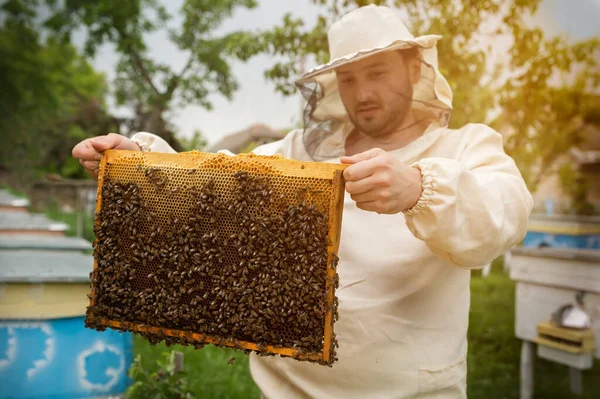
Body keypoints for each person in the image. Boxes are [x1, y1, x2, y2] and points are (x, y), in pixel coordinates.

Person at [72, 5, 533, 398]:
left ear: (414, 68)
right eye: (349, 78)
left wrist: (419, 187)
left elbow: (505, 214)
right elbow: (211, 185)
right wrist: (143, 165)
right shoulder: (296, 152)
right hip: (289, 390)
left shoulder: (465, 147)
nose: (363, 92)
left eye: (377, 73)